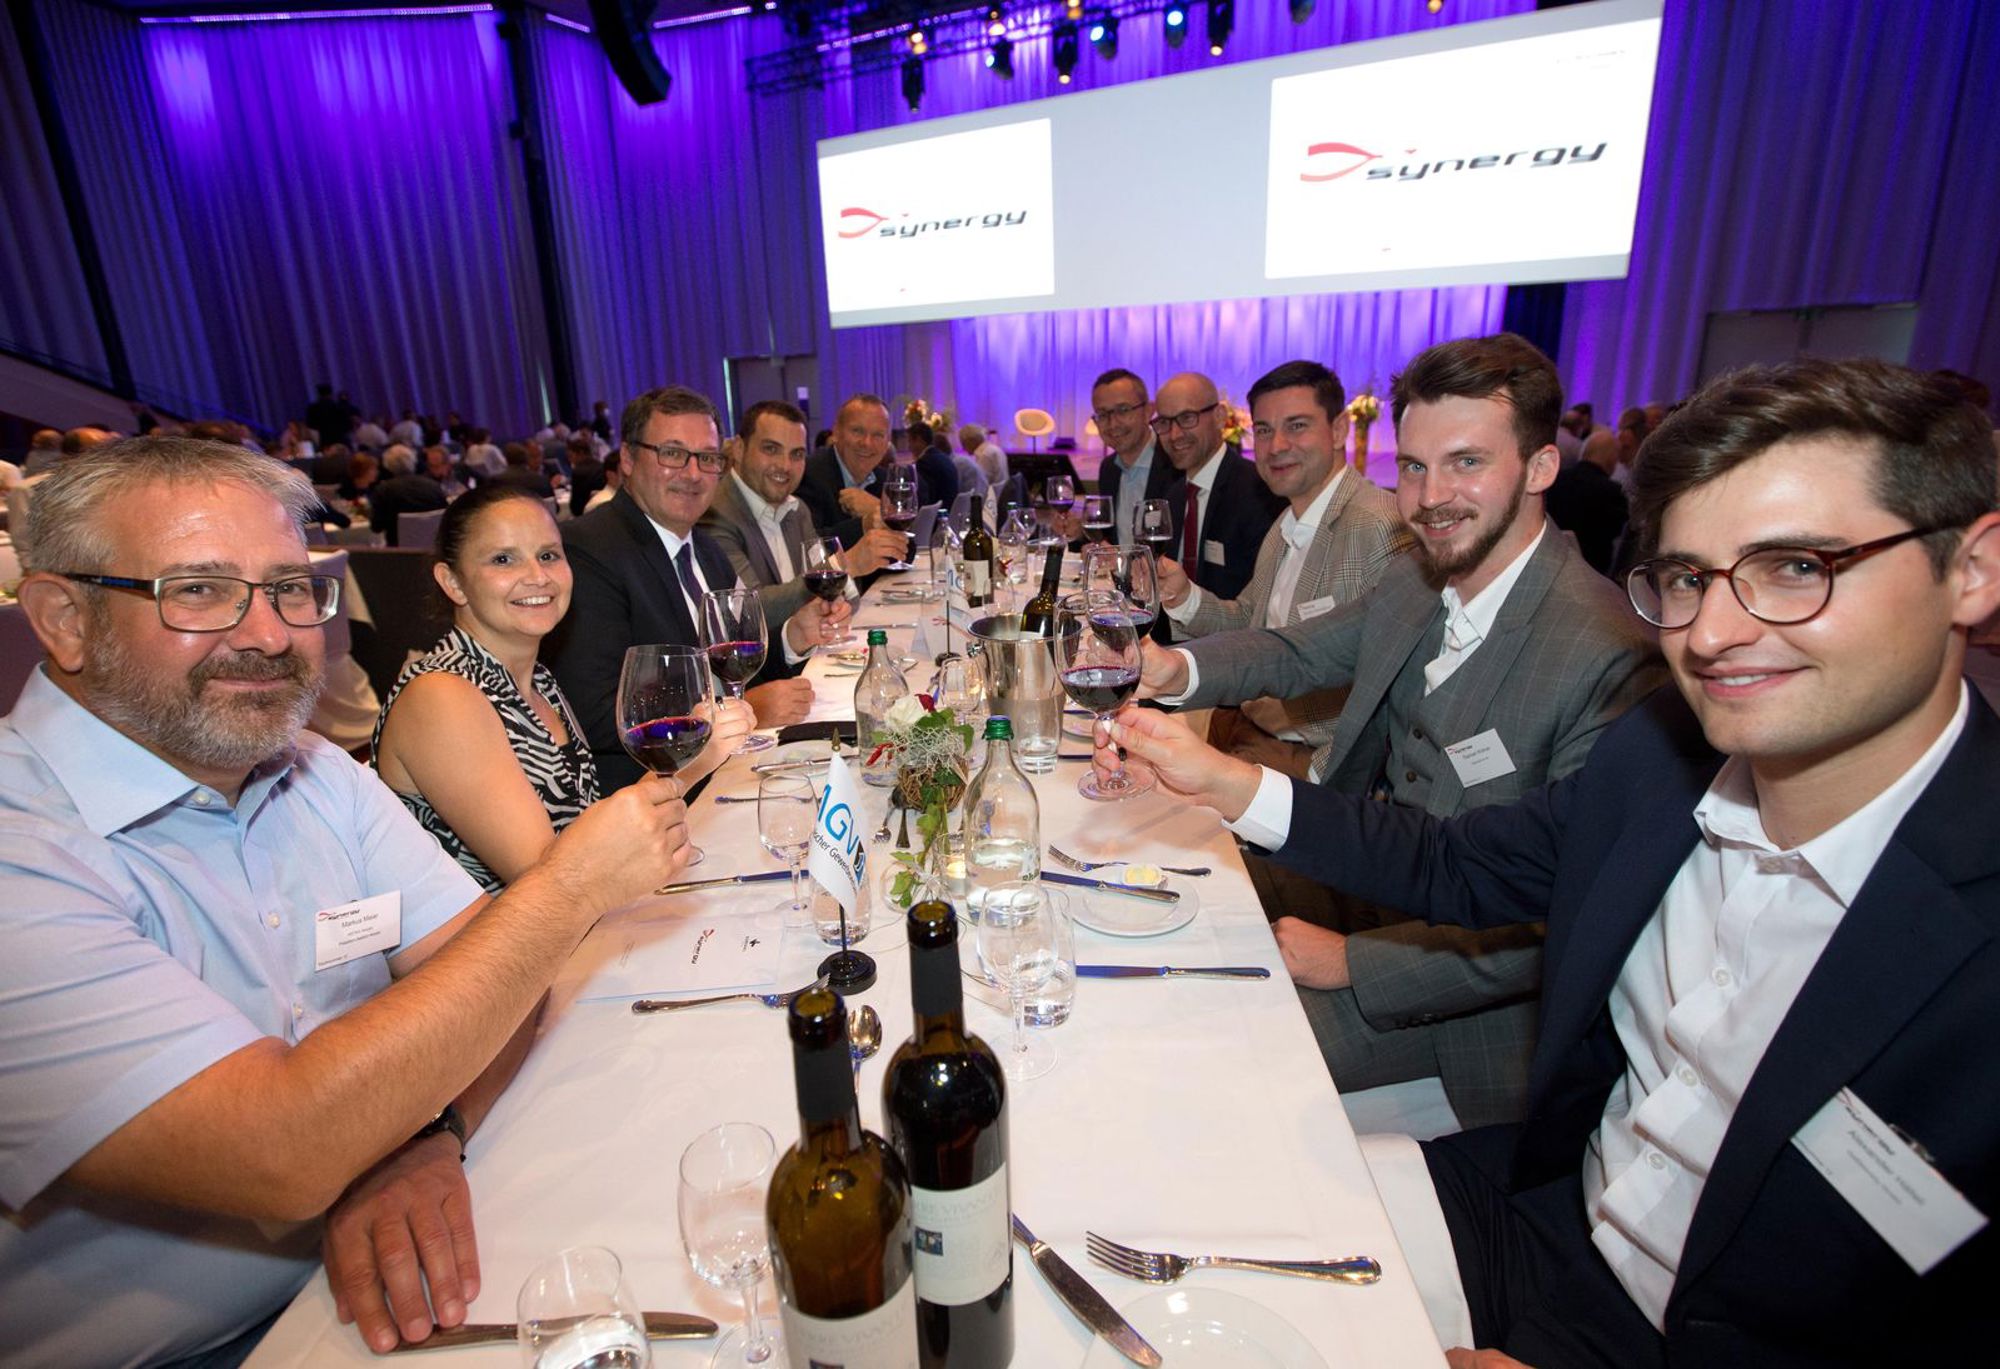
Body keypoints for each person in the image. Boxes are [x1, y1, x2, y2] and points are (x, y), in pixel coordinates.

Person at [1103, 356, 2000, 1365]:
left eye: (1795, 567)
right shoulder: (1659, 764)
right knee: (1180, 1227)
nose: (1712, 633)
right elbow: (1457, 864)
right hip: (1551, 1208)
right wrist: (1230, 784)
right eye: (1687, 578)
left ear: (1970, 569)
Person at [0, 436, 693, 1365]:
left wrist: (424, 1134)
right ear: (63, 617)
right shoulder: (22, 849)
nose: (267, 634)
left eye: (289, 588)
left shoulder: (316, 770)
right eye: (198, 590)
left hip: (422, 1251)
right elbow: (280, 1146)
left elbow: (503, 973)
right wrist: (570, 888)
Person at [1121, 334, 1665, 1129]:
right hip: (1356, 885)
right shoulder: (1418, 576)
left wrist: (1354, 961)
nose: (1430, 495)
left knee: (1210, 1058)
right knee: (1162, 920)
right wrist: (1175, 669)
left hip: (1463, 1007)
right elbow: (1297, 650)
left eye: (1466, 462)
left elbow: (1556, 924)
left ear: (1541, 466)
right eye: (1413, 466)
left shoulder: (1609, 654)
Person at [373, 485, 748, 894]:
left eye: (549, 555)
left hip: (585, 921)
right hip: (506, 932)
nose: (538, 577)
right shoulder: (441, 697)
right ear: (453, 583)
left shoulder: (539, 681)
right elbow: (551, 882)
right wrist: (689, 765)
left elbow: (582, 833)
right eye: (503, 559)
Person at [546, 385, 843, 790]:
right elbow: (597, 715)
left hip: (727, 770)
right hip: (657, 792)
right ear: (628, 459)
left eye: (706, 458)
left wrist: (793, 636)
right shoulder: (589, 551)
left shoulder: (704, 548)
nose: (692, 474)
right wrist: (732, 711)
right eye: (672, 453)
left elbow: (730, 662)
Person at [1156, 359, 1412, 777]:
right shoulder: (1286, 522)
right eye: (1264, 430)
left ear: (1339, 430)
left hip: (1307, 759)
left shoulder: (1378, 526)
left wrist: (1315, 782)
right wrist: (1184, 598)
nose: (1276, 446)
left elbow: (1390, 693)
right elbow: (1249, 621)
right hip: (1243, 728)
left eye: (1297, 426)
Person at [700, 400, 905, 620]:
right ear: (740, 449)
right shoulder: (714, 515)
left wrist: (835, 596)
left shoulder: (797, 510)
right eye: (771, 449)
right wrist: (846, 564)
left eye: (796, 454)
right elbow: (747, 611)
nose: (785, 466)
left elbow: (848, 598)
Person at [1153, 371, 1285, 604]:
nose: (1174, 435)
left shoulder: (1259, 493)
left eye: (1187, 418)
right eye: (1164, 422)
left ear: (1219, 417)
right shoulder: (1174, 495)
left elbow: (1263, 603)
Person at [797, 393, 893, 549]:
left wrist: (880, 510)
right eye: (857, 431)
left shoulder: (886, 480)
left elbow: (908, 550)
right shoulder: (808, 474)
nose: (867, 443)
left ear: (888, 441)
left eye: (878, 435)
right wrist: (866, 523)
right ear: (836, 432)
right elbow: (808, 547)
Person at [1091, 368, 1175, 542]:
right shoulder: (1108, 469)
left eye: (1123, 410)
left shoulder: (1175, 465)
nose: (1113, 424)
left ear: (1148, 411)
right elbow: (1111, 540)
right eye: (1103, 415)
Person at [1544, 411, 1630, 574]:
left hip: (1548, 563)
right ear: (1611, 458)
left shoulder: (1555, 480)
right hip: (1590, 573)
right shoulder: (1612, 492)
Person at [368, 444, 449, 546]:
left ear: (388, 466)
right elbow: (446, 517)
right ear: (413, 461)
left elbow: (376, 527)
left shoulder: (384, 490)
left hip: (398, 550)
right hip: (432, 548)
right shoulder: (433, 486)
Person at [902, 420, 960, 507]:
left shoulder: (925, 463)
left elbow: (924, 498)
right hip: (950, 509)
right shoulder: (944, 457)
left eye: (910, 441)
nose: (908, 447)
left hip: (938, 512)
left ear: (919, 440)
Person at [489, 441, 555, 498]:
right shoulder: (539, 480)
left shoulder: (552, 467)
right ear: (525, 457)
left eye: (539, 455)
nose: (538, 459)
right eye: (532, 456)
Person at [305, 382, 356, 452]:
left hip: (325, 441)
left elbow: (310, 424)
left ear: (319, 394)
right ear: (331, 394)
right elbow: (348, 425)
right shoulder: (339, 407)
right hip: (341, 440)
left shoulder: (313, 409)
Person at [960, 421, 1008, 491]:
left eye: (963, 444)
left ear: (971, 442)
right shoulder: (994, 449)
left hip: (992, 495)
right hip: (1002, 492)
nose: (963, 448)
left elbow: (980, 484)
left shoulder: (984, 455)